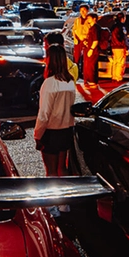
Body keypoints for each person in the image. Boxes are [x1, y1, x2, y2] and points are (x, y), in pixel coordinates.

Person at [34, 41, 79, 177]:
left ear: (50, 60)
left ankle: (53, 197)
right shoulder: (70, 81)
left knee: (51, 172)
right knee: (62, 169)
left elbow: (44, 114)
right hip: (66, 130)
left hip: (51, 132)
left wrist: (37, 134)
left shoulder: (49, 83)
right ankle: (65, 196)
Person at [71, 5, 96, 81]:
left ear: (87, 10)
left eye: (84, 10)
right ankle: (76, 74)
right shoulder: (77, 20)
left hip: (86, 41)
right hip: (78, 41)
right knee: (76, 59)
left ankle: (85, 75)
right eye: (81, 10)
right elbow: (74, 30)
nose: (82, 12)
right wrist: (75, 38)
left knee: (86, 59)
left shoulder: (89, 20)